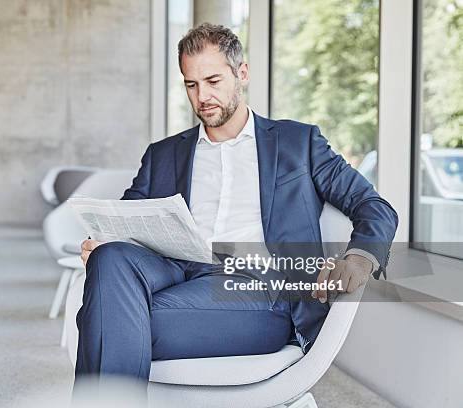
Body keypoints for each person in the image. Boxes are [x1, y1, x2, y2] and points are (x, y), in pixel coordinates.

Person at [74, 23, 397, 387]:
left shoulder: (298, 143)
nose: (202, 97)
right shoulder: (163, 155)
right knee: (110, 257)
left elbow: (373, 204)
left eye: (213, 81)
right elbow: (127, 222)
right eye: (191, 85)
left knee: (103, 318)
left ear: (241, 73)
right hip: (177, 273)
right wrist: (102, 241)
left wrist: (359, 257)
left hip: (260, 290)